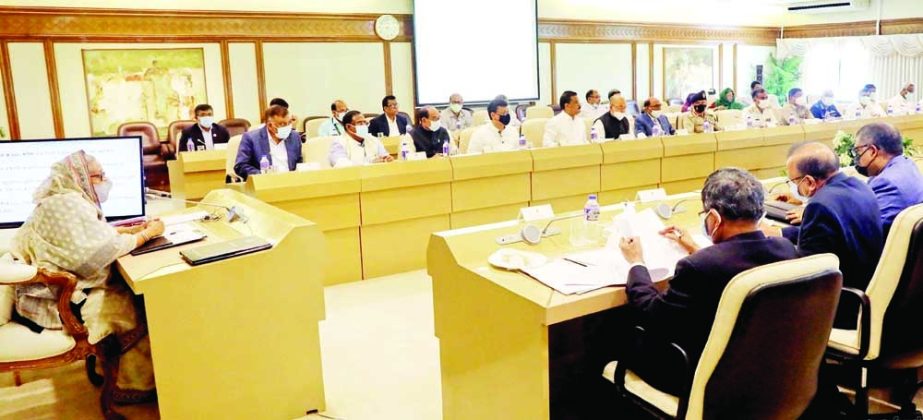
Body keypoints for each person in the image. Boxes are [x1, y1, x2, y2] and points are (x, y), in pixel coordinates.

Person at [617, 167, 798, 395]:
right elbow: (732, 259)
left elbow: (652, 313)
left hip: (698, 378)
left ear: (714, 218)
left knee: (615, 335)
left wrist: (636, 263)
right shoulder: (785, 249)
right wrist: (694, 247)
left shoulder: (698, 267)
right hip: (767, 373)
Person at [11, 151, 165, 402]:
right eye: (99, 176)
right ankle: (131, 386)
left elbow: (90, 237)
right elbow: (92, 254)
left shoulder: (62, 199)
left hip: (60, 289)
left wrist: (131, 230)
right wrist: (147, 235)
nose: (105, 181)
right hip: (65, 298)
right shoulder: (68, 204)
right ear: (79, 176)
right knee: (131, 305)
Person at [763, 142, 883, 320]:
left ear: (809, 181)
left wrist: (771, 246)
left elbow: (808, 272)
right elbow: (835, 231)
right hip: (868, 292)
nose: (793, 188)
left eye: (793, 181)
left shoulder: (819, 205)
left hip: (840, 306)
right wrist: (782, 233)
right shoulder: (859, 186)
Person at [852, 122, 923, 235]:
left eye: (858, 152)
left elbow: (865, 232)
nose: (857, 158)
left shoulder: (886, 183)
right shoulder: (908, 165)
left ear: (872, 151)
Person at [234, 105, 303, 180]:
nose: (287, 127)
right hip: (264, 184)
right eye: (282, 124)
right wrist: (262, 175)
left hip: (291, 182)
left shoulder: (295, 137)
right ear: (270, 125)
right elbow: (241, 166)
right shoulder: (251, 138)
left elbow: (299, 162)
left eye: (289, 122)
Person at [329, 110, 393, 167]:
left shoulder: (373, 139)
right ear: (348, 127)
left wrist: (387, 158)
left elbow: (384, 155)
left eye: (365, 123)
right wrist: (369, 163)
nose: (364, 126)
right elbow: (341, 164)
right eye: (360, 123)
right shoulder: (339, 143)